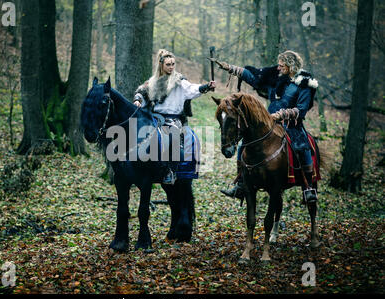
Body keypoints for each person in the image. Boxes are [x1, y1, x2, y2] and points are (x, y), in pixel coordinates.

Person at [217, 50, 318, 203]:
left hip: (292, 125)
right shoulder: (276, 79)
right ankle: (240, 183)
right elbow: (253, 78)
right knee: (243, 145)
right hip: (269, 122)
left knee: (302, 146)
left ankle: (308, 187)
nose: (278, 68)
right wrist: (230, 68)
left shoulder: (304, 83)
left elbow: (301, 109)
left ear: (291, 66)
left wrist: (282, 114)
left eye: (282, 65)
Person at [133, 49, 216, 184]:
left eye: (173, 64)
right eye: (168, 64)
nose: (171, 67)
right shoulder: (153, 81)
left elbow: (192, 89)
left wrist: (206, 86)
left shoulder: (179, 81)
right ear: (161, 65)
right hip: (155, 118)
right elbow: (142, 92)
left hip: (174, 120)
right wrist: (138, 100)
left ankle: (169, 171)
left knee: (171, 136)